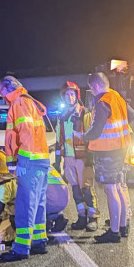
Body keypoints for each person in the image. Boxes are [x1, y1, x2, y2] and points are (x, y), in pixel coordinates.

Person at [0, 75, 50, 261]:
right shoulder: (29, 101)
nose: (0, 95)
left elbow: (25, 133)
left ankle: (21, 248)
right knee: (38, 202)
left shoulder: (19, 103)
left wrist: (21, 162)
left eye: (0, 91)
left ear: (7, 88)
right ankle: (38, 241)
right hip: (41, 160)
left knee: (26, 203)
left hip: (30, 161)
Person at [82, 71, 133, 243]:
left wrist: (82, 136)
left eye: (91, 88)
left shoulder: (102, 102)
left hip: (108, 152)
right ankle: (123, 225)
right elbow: (131, 116)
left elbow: (96, 130)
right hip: (120, 149)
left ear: (95, 86)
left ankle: (114, 231)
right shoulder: (116, 97)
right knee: (118, 187)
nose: (92, 92)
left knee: (111, 189)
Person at [55, 82, 99, 231]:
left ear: (77, 95)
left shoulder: (84, 113)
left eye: (72, 94)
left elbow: (91, 136)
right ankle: (81, 217)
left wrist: (91, 157)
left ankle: (93, 218)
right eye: (67, 95)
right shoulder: (61, 116)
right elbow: (58, 139)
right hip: (68, 157)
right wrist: (57, 160)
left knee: (86, 188)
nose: (70, 97)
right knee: (75, 189)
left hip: (82, 157)